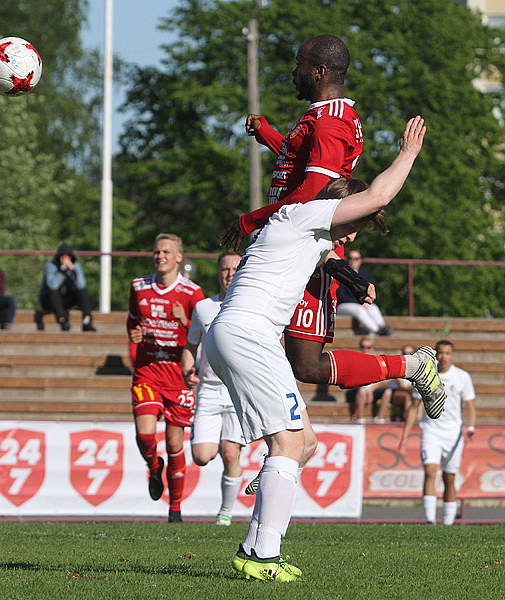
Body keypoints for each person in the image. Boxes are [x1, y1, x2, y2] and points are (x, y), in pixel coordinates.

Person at [206, 116, 443, 581]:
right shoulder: (309, 215)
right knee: (291, 441)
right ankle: (263, 557)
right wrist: (408, 154)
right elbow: (373, 194)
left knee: (305, 442)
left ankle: (252, 544)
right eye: (354, 224)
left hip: (241, 334)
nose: (355, 234)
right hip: (248, 334)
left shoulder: (305, 228)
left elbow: (325, 234)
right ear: (340, 209)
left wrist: (355, 278)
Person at [127, 233, 205, 523]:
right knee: (145, 433)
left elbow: (200, 335)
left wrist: (183, 321)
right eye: (157, 251)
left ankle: (175, 508)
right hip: (147, 372)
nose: (160, 256)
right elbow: (132, 322)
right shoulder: (139, 286)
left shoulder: (192, 293)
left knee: (175, 444)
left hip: (178, 376)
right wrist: (134, 335)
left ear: (179, 258)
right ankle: (152, 463)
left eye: (166, 252)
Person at [180, 252, 246, 526]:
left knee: (231, 452)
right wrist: (187, 370)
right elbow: (190, 345)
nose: (230, 273)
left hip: (237, 391)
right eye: (225, 269)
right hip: (207, 388)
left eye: (235, 268)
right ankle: (221, 443)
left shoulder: (252, 306)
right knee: (202, 456)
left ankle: (226, 514)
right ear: (218, 273)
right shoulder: (204, 307)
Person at [398, 340, 476, 525]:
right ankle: (430, 521)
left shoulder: (462, 377)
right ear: (435, 355)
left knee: (449, 477)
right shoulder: (426, 375)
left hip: (453, 433)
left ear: (452, 355)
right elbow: (414, 407)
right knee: (430, 470)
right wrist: (405, 436)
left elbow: (470, 406)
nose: (443, 357)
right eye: (440, 353)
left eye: (447, 353)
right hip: (431, 431)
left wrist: (471, 427)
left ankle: (448, 523)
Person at [35, 243, 96, 332]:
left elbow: (81, 285)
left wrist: (72, 270)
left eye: (67, 256)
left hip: (66, 299)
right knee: (53, 292)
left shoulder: (76, 265)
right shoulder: (51, 265)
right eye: (62, 256)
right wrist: (61, 271)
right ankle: (62, 320)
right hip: (50, 301)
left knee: (83, 292)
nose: (65, 258)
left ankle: (87, 321)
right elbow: (52, 285)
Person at [335, 248, 392, 335]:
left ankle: (382, 326)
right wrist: (360, 301)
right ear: (347, 259)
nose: (353, 261)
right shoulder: (341, 273)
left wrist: (364, 301)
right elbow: (340, 296)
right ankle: (377, 330)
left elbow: (370, 290)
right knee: (359, 310)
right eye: (351, 258)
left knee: (373, 308)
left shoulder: (365, 273)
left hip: (361, 303)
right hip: (343, 306)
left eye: (356, 258)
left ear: (361, 260)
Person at [344, 338, 390, 423]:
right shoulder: (354, 361)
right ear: (359, 347)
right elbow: (353, 381)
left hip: (370, 389)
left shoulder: (378, 362)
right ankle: (360, 418)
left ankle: (380, 418)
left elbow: (383, 381)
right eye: (363, 347)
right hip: (356, 389)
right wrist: (368, 391)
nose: (365, 349)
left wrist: (370, 390)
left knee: (388, 391)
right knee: (362, 391)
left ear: (372, 348)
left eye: (368, 347)